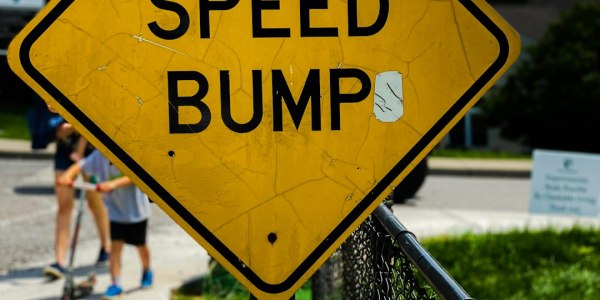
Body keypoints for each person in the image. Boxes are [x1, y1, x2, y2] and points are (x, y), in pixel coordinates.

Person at [57, 149, 153, 299]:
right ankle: (116, 284)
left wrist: (113, 184)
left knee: (140, 245)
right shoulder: (99, 155)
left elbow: (136, 175)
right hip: (116, 212)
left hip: (135, 211)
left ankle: (147, 270)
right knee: (115, 247)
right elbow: (81, 165)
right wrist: (67, 176)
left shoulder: (126, 152)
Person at [40, 104, 110, 279]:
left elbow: (93, 122)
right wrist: (76, 126)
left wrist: (79, 145)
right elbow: (60, 130)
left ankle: (106, 246)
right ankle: (60, 261)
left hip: (91, 152)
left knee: (95, 202)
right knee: (64, 206)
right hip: (65, 152)